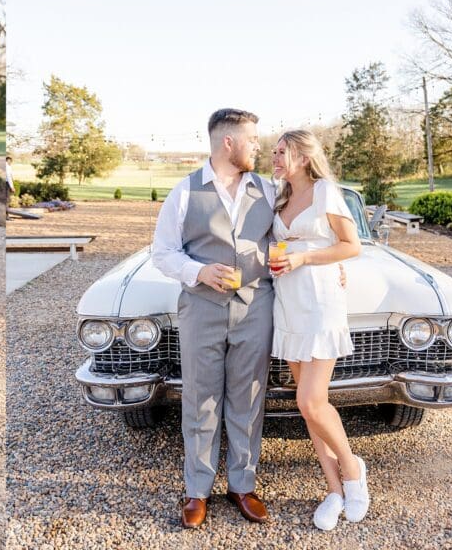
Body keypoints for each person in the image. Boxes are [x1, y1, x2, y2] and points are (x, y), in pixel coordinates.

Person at [152, 108, 275, 529]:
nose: (258, 146)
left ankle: (242, 484)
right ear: (229, 142)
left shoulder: (270, 191)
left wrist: (330, 264)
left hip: (256, 307)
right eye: (253, 139)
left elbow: (295, 238)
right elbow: (162, 253)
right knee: (201, 398)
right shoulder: (184, 192)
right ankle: (196, 490)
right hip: (201, 308)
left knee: (248, 397)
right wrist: (199, 272)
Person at [269, 130, 367, 531]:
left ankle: (353, 469)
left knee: (312, 400)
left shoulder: (325, 191)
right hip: (287, 304)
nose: (274, 157)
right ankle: (333, 490)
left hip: (321, 302)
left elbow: (351, 245)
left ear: (303, 157)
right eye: (273, 151)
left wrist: (305, 258)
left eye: (281, 152)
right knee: (308, 407)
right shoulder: (279, 197)